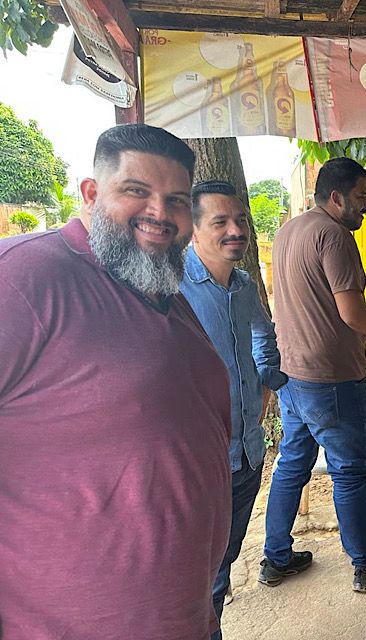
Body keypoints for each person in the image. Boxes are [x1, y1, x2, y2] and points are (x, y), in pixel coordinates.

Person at [0, 125, 232, 639]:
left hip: (185, 615)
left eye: (175, 200)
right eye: (136, 191)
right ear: (90, 193)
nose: (159, 213)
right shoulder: (24, 277)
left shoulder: (158, 287)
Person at [261, 157, 366, 593]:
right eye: (361, 196)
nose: (365, 205)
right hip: (332, 380)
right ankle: (365, 562)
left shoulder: (289, 230)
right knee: (347, 471)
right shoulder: (335, 236)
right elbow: (352, 312)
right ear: (336, 196)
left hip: (293, 375)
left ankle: (276, 557)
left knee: (292, 464)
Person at [179, 180, 288, 639]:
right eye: (220, 221)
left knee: (222, 565)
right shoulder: (171, 289)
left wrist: (264, 390)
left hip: (246, 459)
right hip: (197, 468)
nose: (236, 230)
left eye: (240, 219)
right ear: (192, 229)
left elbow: (266, 338)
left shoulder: (243, 287)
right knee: (193, 580)